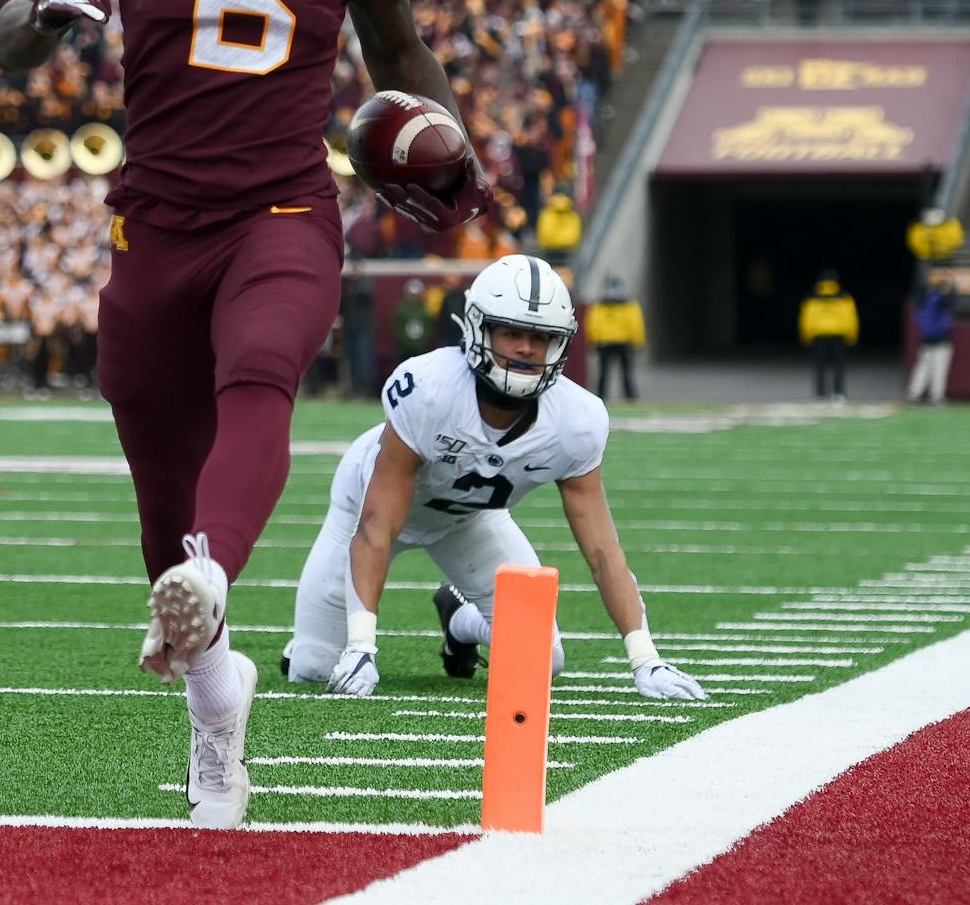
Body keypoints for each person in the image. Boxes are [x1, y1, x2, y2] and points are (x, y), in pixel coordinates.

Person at [0, 0, 494, 828]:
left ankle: (213, 573)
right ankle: (216, 698)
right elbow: (16, 35)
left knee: (262, 372)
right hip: (154, 218)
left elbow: (394, 45)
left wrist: (451, 140)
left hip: (281, 205)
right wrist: (50, 15)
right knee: (155, 477)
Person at [284, 255, 707, 705]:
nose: (526, 348)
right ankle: (318, 646)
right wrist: (361, 646)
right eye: (511, 333)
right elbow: (375, 527)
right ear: (478, 329)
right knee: (315, 668)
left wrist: (645, 658)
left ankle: (459, 620)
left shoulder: (577, 420)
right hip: (366, 509)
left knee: (542, 659)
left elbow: (603, 551)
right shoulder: (430, 389)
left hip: (468, 518)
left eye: (540, 337)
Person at [799, 269, 857, 402]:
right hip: (839, 335)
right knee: (839, 366)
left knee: (819, 366)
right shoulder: (844, 297)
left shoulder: (812, 297)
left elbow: (806, 318)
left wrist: (806, 335)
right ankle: (839, 393)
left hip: (819, 336)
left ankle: (820, 394)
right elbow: (851, 318)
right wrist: (852, 336)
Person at [586, 276, 645, 400]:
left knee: (604, 374)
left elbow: (593, 325)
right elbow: (636, 324)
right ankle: (630, 399)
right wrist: (638, 341)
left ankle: (600, 398)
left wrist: (593, 341)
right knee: (626, 373)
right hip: (624, 342)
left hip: (604, 343)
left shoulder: (599, 307)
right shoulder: (629, 306)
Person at [907, 278, 954, 404]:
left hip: (926, 339)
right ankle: (936, 396)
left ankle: (914, 393)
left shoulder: (924, 300)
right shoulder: (940, 299)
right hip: (941, 340)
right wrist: (951, 286)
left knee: (922, 368)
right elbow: (951, 300)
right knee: (939, 369)